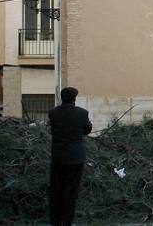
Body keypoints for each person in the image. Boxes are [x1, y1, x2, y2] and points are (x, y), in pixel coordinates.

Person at [48, 86, 92, 226]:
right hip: (75, 158)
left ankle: (55, 220)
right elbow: (87, 129)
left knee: (56, 189)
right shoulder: (82, 113)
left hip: (58, 158)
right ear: (74, 99)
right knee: (71, 191)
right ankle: (66, 221)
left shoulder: (53, 113)